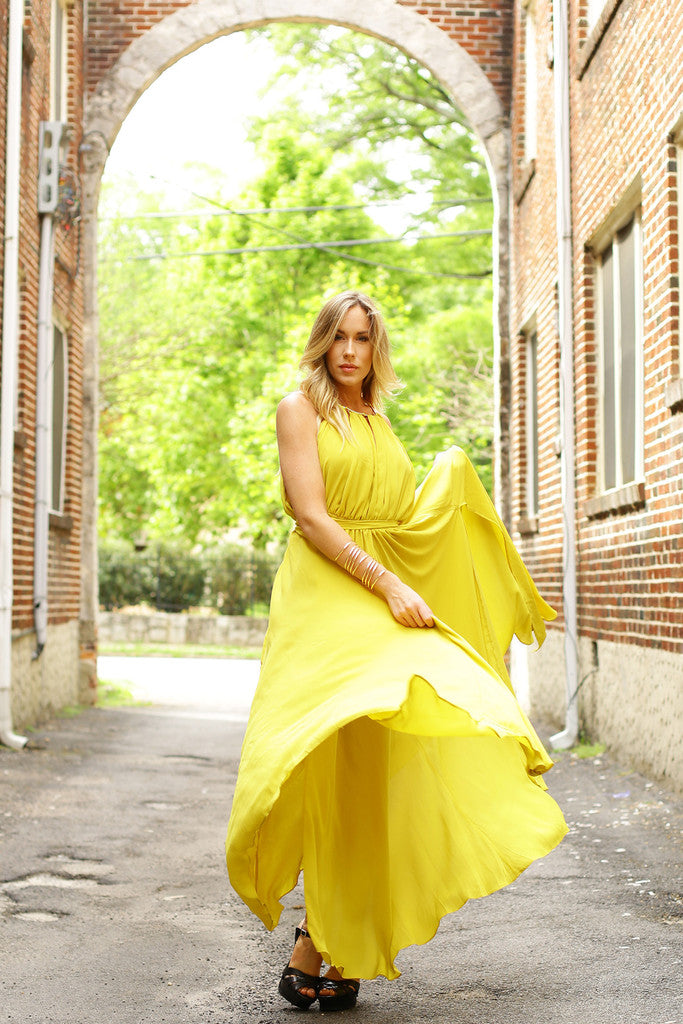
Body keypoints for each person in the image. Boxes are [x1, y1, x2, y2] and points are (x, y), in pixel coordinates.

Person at [225, 290, 567, 1011]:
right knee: (325, 766)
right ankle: (326, 936)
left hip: (380, 589)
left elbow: (399, 520)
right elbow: (313, 518)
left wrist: (449, 487)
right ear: (321, 341)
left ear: (375, 349)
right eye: (339, 337)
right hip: (328, 597)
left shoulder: (379, 419)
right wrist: (386, 585)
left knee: (369, 776)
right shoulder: (300, 410)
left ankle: (326, 940)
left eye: (362, 339)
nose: (349, 351)